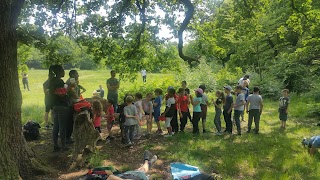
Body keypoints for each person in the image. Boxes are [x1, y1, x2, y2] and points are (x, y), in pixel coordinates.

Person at [48, 65, 70, 151]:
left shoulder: (52, 81)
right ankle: (63, 146)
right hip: (61, 106)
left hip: (55, 106)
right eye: (63, 70)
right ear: (59, 72)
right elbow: (62, 94)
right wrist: (69, 87)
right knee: (62, 127)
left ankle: (56, 145)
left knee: (56, 126)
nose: (64, 72)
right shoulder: (59, 81)